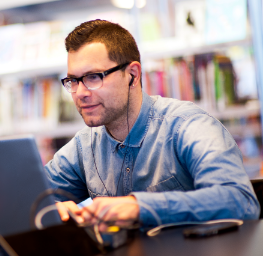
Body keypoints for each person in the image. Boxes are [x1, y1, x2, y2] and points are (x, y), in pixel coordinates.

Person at [44, 19, 260, 228]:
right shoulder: (84, 146)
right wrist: (51, 211)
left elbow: (240, 200)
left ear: (132, 75)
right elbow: (27, 199)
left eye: (93, 77)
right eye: (73, 81)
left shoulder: (187, 125)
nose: (80, 93)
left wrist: (139, 207)